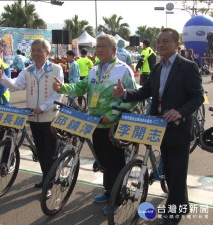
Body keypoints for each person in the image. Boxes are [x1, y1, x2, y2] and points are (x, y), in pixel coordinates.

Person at [113, 28, 204, 225]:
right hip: (158, 126)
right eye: (158, 42)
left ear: (177, 43)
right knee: (170, 171)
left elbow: (197, 96)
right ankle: (182, 204)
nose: (161, 45)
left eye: (165, 41)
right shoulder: (156, 67)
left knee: (177, 172)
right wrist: (125, 94)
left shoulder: (187, 66)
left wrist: (180, 111)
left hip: (178, 126)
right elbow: (145, 92)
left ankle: (175, 212)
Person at [53, 34, 137, 216]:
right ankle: (109, 192)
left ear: (114, 50)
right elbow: (82, 87)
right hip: (95, 124)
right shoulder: (94, 69)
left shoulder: (123, 70)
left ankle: (118, 198)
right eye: (97, 46)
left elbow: (133, 98)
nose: (98, 50)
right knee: (103, 162)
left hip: (114, 125)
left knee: (116, 163)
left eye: (103, 46)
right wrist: (63, 88)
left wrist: (113, 114)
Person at [0, 39, 64, 188]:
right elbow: (16, 85)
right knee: (40, 151)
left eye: (39, 50)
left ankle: (49, 183)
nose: (35, 53)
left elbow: (57, 94)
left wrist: (44, 107)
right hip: (33, 117)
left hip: (50, 117)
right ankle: (47, 178)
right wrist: (3, 78)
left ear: (47, 52)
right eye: (33, 50)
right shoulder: (28, 70)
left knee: (51, 152)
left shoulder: (56, 69)